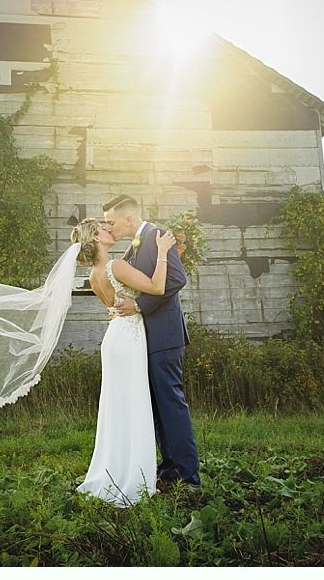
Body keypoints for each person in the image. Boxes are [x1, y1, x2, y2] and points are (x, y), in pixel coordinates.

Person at [69, 218, 177, 507]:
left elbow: (112, 305)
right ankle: (133, 476)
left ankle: (115, 469)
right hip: (128, 337)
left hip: (114, 337)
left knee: (117, 407)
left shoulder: (94, 274)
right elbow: (156, 287)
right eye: (104, 229)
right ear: (97, 239)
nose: (110, 230)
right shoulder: (115, 266)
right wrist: (164, 251)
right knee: (134, 404)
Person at [103, 195, 201, 488]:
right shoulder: (134, 246)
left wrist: (140, 306)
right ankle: (169, 468)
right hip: (145, 337)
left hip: (165, 335)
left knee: (171, 403)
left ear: (129, 218)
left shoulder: (156, 236)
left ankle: (189, 476)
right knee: (156, 406)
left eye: (111, 222)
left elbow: (176, 280)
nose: (109, 228)